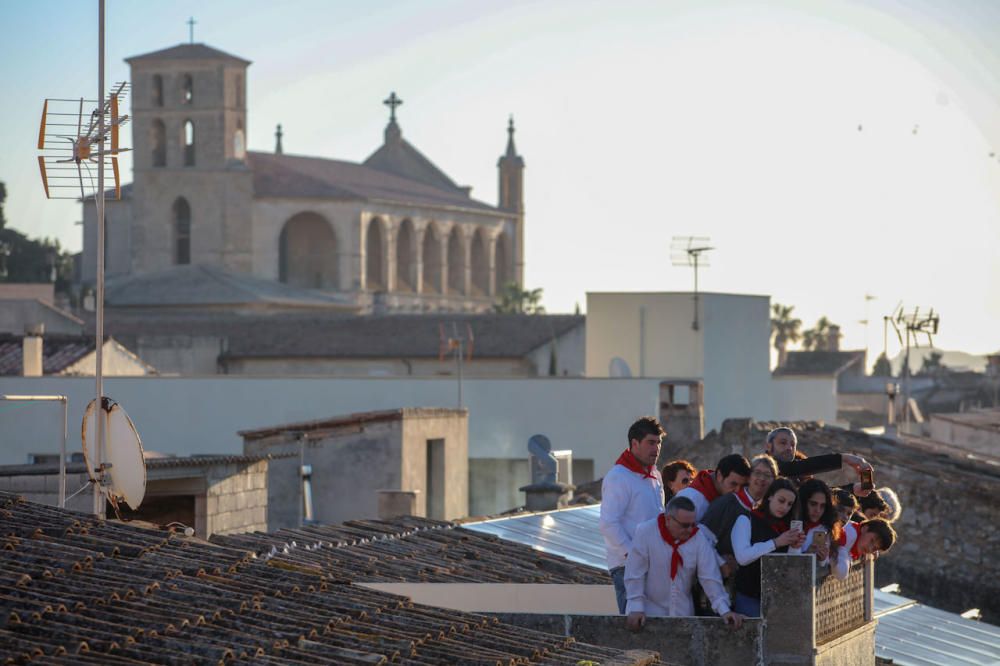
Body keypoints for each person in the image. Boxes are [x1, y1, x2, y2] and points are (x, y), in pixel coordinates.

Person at [624, 496, 745, 630]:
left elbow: (710, 577)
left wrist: (724, 610)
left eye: (693, 524)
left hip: (682, 613)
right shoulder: (645, 532)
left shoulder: (698, 537)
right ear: (668, 519)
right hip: (647, 612)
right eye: (684, 525)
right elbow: (635, 573)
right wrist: (636, 607)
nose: (689, 530)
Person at [600, 416, 667, 614]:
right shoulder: (618, 476)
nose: (656, 448)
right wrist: (634, 555)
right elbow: (608, 524)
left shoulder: (655, 475)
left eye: (659, 443)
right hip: (627, 567)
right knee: (634, 626)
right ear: (634, 444)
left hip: (652, 565)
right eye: (650, 443)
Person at [731, 478, 805, 616]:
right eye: (781, 501)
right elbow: (742, 557)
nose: (785, 508)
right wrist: (775, 542)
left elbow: (790, 565)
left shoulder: (785, 526)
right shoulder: (746, 519)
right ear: (770, 496)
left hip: (777, 598)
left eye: (790, 504)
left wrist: (795, 547)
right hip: (749, 595)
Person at [702, 454, 777, 559]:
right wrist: (721, 562)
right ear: (749, 477)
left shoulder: (768, 509)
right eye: (757, 473)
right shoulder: (728, 503)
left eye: (768, 475)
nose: (762, 478)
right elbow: (702, 538)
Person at [764, 427, 874, 495]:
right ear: (769, 446)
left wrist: (851, 489)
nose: (789, 448)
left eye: (793, 445)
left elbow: (815, 496)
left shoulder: (797, 476)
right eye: (783, 443)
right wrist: (845, 458)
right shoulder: (764, 467)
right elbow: (802, 466)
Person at [676, 454, 751, 521]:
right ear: (719, 476)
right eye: (733, 484)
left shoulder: (729, 499)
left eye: (742, 486)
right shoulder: (691, 500)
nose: (738, 490)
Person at [794, 479, 841, 567]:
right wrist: (806, 555)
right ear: (803, 502)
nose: (818, 510)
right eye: (813, 504)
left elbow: (824, 565)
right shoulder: (790, 524)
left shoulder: (825, 528)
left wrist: (822, 559)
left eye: (822, 506)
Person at [832, 518, 897, 580]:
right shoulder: (849, 534)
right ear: (864, 529)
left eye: (874, 548)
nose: (870, 548)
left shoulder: (856, 534)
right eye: (871, 541)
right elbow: (841, 573)